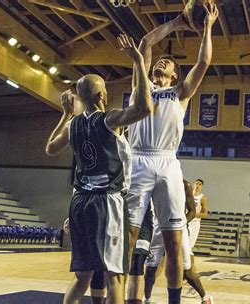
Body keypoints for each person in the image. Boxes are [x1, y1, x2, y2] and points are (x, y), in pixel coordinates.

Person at [45, 34, 153, 304]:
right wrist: (139, 62)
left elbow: (49, 148)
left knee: (82, 275)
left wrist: (65, 114)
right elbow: (145, 107)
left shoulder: (73, 125)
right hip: (108, 202)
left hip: (80, 202)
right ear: (103, 94)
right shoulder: (110, 119)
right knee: (115, 276)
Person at [126, 4, 218, 303]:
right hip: (138, 158)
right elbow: (144, 45)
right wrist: (176, 23)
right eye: (158, 61)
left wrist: (207, 28)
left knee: (174, 241)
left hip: (167, 162)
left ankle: (174, 300)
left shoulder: (180, 93)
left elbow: (203, 62)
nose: (160, 62)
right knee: (129, 236)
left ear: (175, 74)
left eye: (167, 62)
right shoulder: (141, 84)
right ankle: (122, 294)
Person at [144, 180, 213, 304]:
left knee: (186, 269)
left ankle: (205, 297)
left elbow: (192, 211)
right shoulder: (153, 182)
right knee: (151, 267)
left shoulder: (185, 184)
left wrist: (181, 223)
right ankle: (147, 299)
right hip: (158, 227)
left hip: (179, 227)